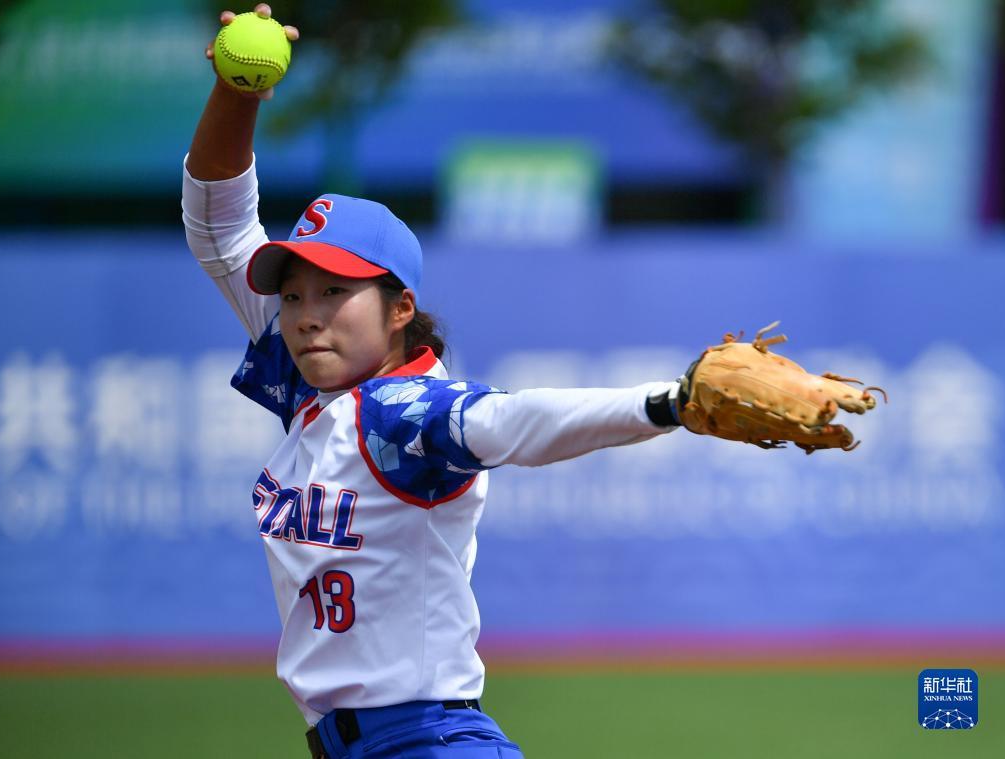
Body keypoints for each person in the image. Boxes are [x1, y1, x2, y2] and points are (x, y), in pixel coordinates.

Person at [183, 6, 686, 758]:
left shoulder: (407, 410)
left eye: (334, 293)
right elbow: (220, 228)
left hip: (426, 739)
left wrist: (669, 403)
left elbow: (518, 423)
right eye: (292, 295)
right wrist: (236, 90)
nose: (307, 316)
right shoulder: (308, 376)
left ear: (399, 309)